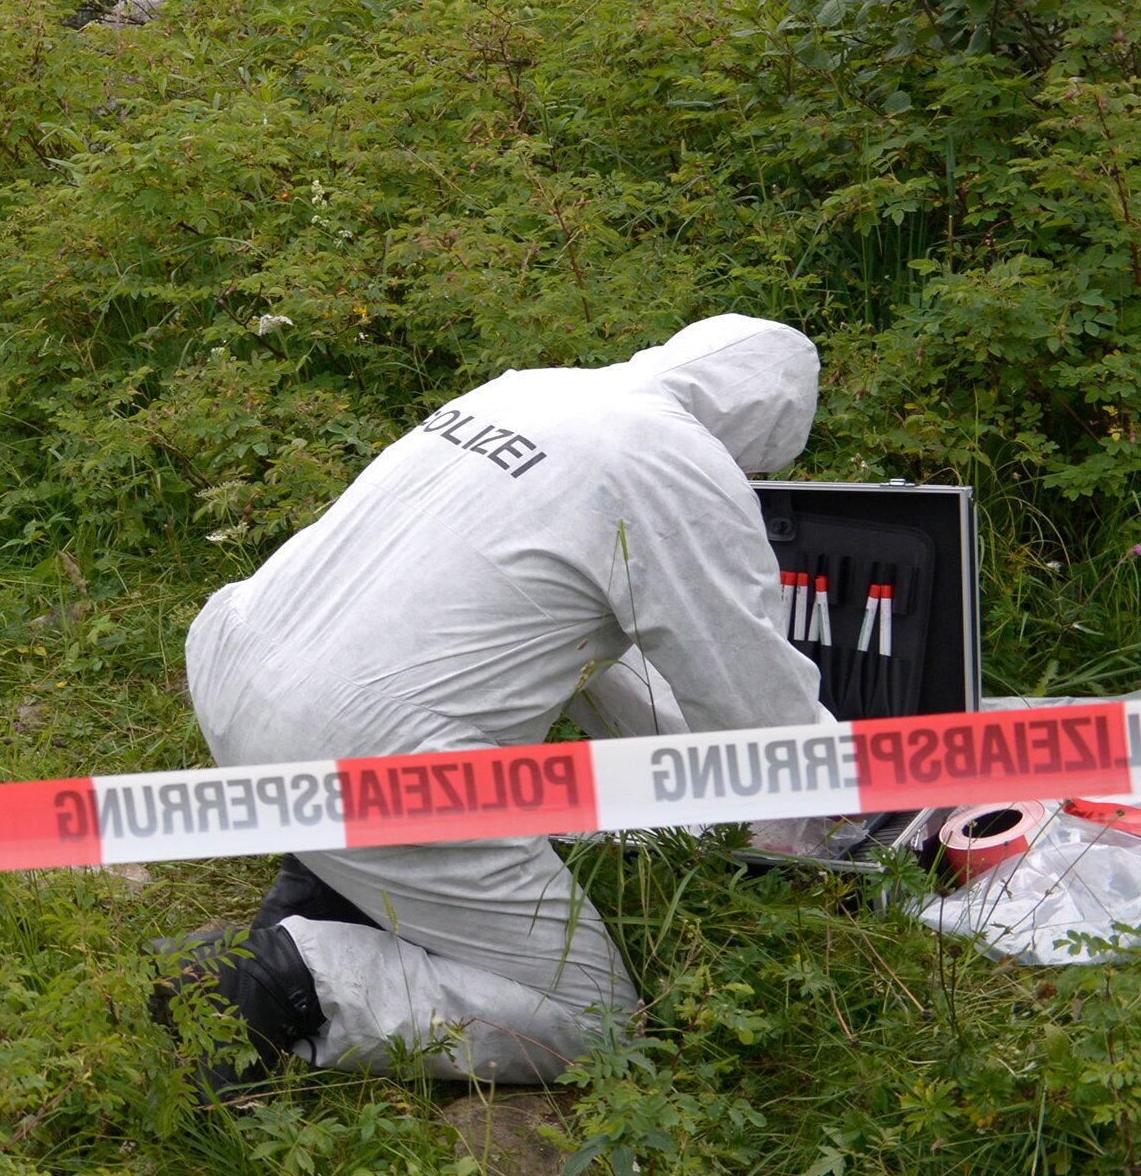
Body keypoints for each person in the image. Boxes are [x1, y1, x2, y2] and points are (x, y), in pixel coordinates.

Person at [168, 315, 827, 1088]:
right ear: (761, 439)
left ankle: (318, 897)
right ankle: (289, 981)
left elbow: (584, 660)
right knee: (595, 1021)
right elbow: (754, 709)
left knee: (405, 723)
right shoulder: (678, 467)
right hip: (368, 750)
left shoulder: (534, 390)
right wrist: (826, 805)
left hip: (239, 660)